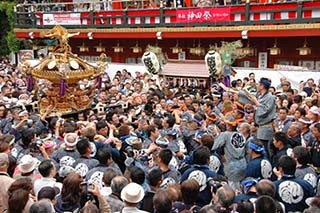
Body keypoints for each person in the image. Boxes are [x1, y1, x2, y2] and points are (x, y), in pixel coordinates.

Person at [250, 78, 276, 159]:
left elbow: (265, 110)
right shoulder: (261, 96)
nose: (257, 86)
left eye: (258, 84)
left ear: (262, 86)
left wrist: (256, 103)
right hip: (260, 126)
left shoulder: (270, 97)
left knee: (266, 151)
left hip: (266, 126)